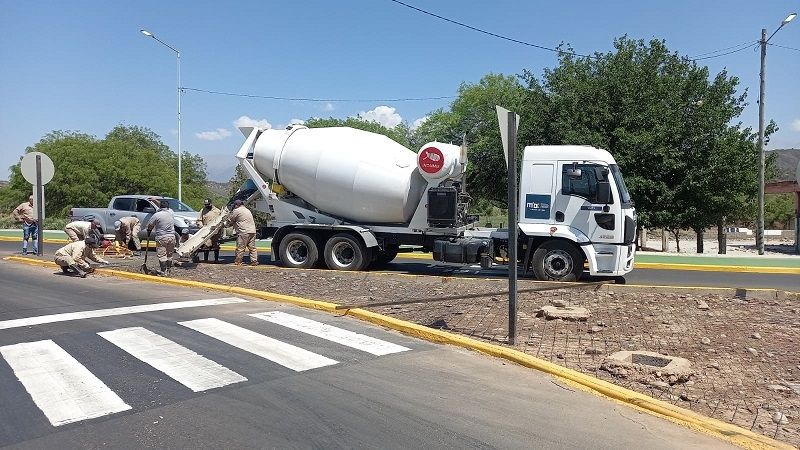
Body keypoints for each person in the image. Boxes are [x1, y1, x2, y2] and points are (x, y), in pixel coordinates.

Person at [146, 200, 175, 275]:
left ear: (160, 207)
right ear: (168, 207)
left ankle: (163, 271)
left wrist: (149, 230)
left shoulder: (157, 215)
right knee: (169, 254)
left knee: (162, 255)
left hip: (161, 237)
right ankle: (168, 270)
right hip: (172, 237)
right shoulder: (171, 213)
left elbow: (150, 225)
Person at [226, 199, 258, 266]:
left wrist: (226, 223)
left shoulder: (237, 210)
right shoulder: (247, 210)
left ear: (237, 205)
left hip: (243, 231)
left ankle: (238, 261)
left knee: (240, 248)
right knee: (252, 248)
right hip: (252, 231)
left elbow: (230, 219)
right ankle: (254, 261)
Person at [197, 198, 222, 262]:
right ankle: (206, 260)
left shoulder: (217, 211)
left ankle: (216, 260)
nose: (206, 206)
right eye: (205, 205)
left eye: (208, 204)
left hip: (216, 231)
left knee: (216, 245)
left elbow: (221, 221)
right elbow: (199, 220)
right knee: (207, 245)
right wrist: (201, 226)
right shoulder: (202, 211)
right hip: (206, 231)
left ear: (211, 203)